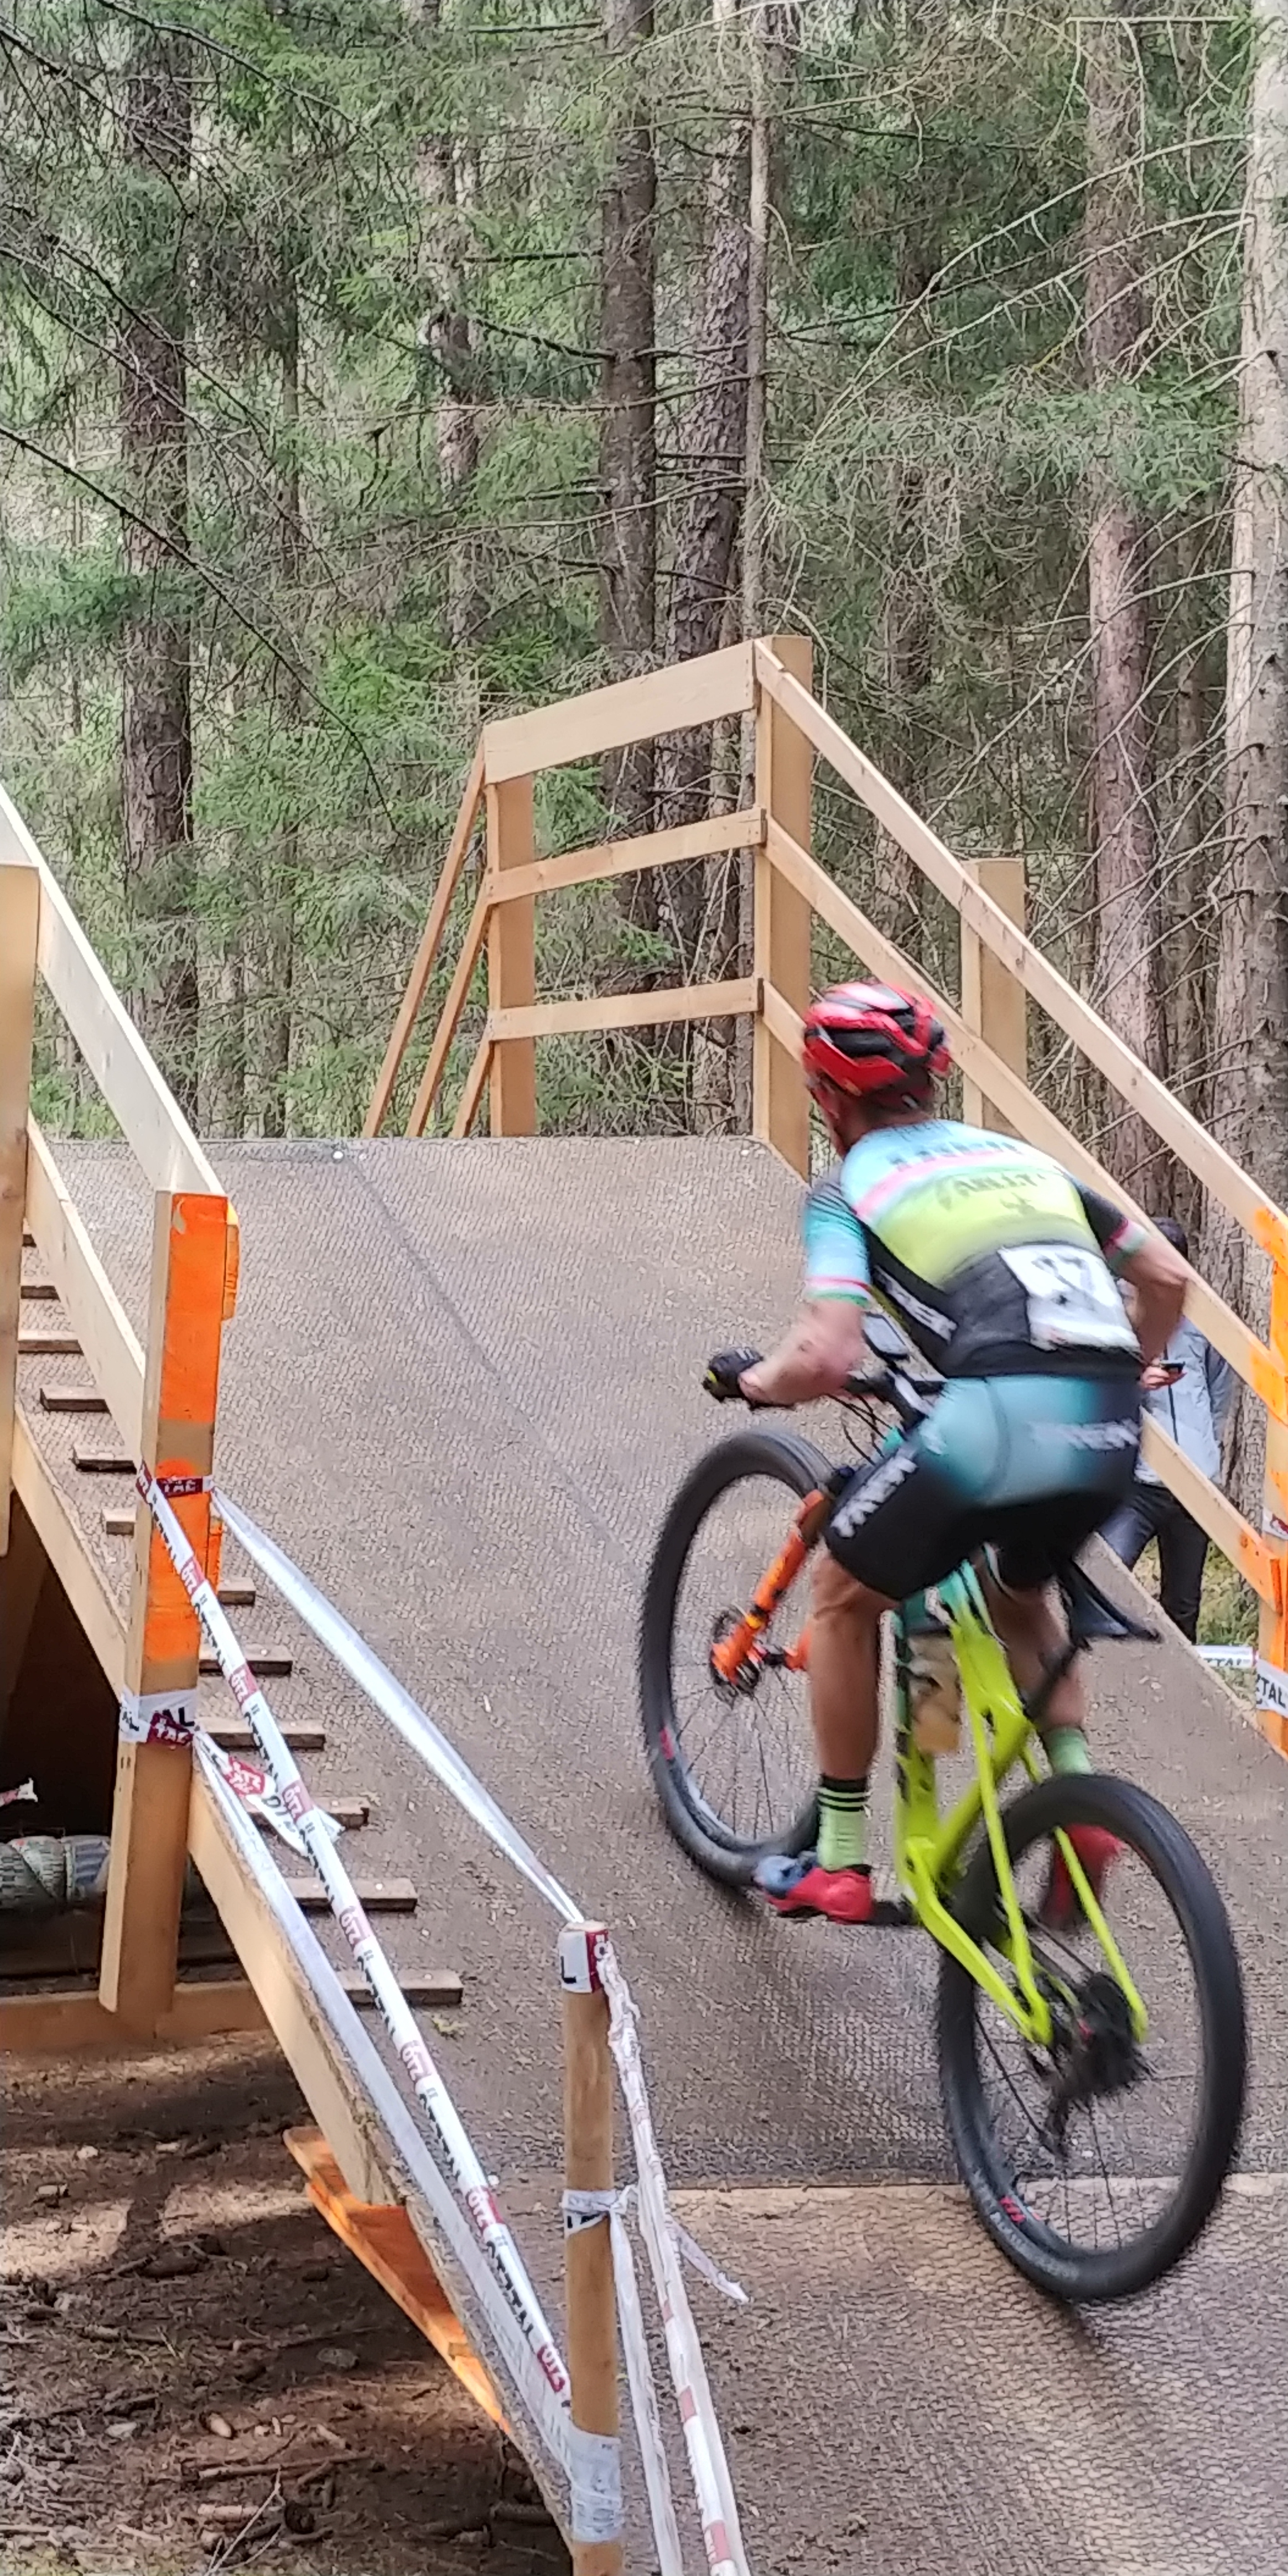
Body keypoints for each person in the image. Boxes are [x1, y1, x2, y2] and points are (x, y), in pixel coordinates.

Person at [703, 979, 1188, 1927]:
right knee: (1019, 1594)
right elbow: (1165, 1276)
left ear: (826, 1096)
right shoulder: (1025, 1160)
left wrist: (755, 1381)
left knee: (843, 1593)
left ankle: (840, 1859)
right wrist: (1121, 1364)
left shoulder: (847, 1187)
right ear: (931, 1083)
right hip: (1109, 1425)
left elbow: (826, 1353)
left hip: (992, 1419)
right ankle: (1078, 1804)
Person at [1099, 1216, 1234, 1642]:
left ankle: (1178, 1679)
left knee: (1184, 1603)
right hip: (1135, 1480)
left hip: (1195, 1483)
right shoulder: (1111, 1312)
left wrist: (1204, 1443)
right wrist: (1136, 1382)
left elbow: (1220, 1387)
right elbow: (1095, 1386)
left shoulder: (1206, 1319)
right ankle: (1105, 1665)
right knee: (1109, 1576)